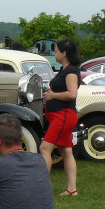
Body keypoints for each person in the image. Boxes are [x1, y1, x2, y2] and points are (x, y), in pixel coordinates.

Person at [40, 38, 80, 196]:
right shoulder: (66, 70)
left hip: (63, 116)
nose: (54, 53)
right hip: (61, 115)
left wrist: (52, 96)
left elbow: (72, 94)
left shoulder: (71, 72)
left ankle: (41, 189)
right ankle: (72, 189)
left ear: (64, 53)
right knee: (66, 151)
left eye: (56, 51)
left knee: (44, 148)